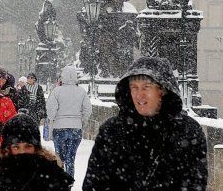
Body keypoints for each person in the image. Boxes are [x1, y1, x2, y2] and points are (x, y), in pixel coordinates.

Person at [83, 57, 207, 191]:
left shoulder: (188, 131)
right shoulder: (111, 131)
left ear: (162, 91)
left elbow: (195, 183)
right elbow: (94, 184)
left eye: (146, 87)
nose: (139, 95)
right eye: (134, 88)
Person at [0, 114, 73, 191]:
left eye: (28, 146)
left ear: (36, 148)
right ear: (8, 148)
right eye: (16, 147)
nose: (22, 152)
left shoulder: (51, 173)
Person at [45, 64, 91, 179]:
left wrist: (54, 118)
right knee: (71, 157)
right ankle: (69, 182)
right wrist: (82, 121)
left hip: (59, 128)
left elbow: (51, 111)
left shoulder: (57, 91)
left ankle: (60, 182)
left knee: (59, 158)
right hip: (76, 128)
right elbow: (87, 109)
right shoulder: (81, 92)